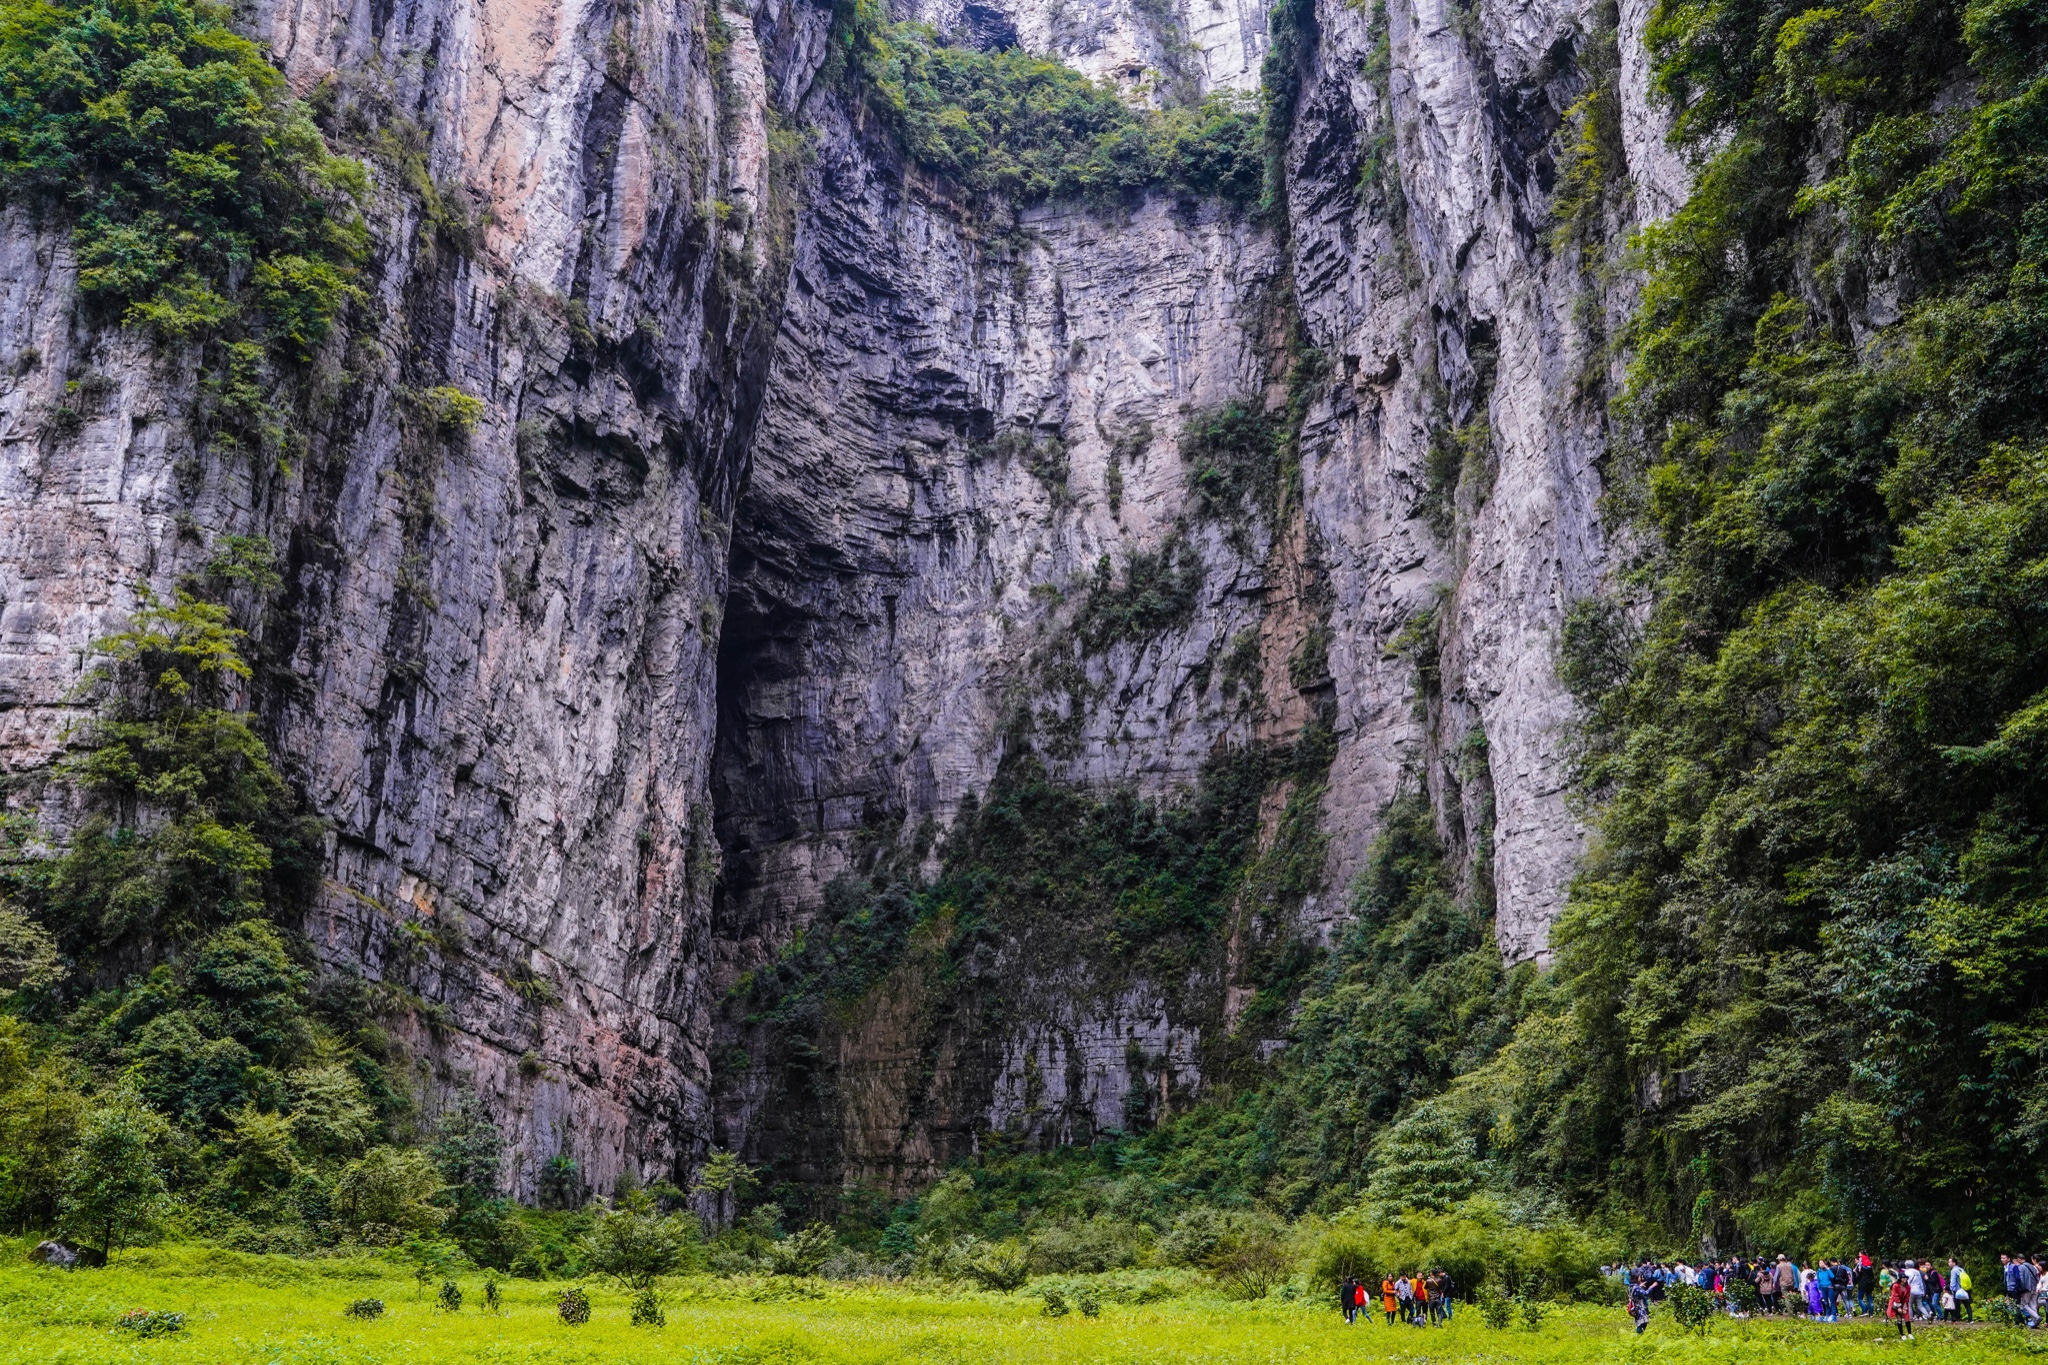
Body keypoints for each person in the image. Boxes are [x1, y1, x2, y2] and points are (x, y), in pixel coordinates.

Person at [1888, 1267, 1914, 1339]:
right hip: (1895, 1302)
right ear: (1900, 1279)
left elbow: (1907, 1296)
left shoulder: (1908, 1286)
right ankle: (1902, 1334)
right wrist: (1899, 1307)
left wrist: (1905, 1306)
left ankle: (1909, 1333)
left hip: (1904, 1302)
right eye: (1903, 1278)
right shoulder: (1895, 1285)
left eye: (1906, 1278)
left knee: (1907, 1317)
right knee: (1899, 1317)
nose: (1905, 1279)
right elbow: (1895, 1296)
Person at [1950, 1257, 1972, 1322]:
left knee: (1956, 1304)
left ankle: (1957, 1318)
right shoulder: (1961, 1269)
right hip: (1964, 1289)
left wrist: (1952, 1289)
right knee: (1967, 1304)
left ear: (1954, 1263)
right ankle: (1970, 1319)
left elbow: (1953, 1281)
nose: (1949, 1263)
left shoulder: (1953, 1270)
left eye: (1950, 1262)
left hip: (1957, 1290)